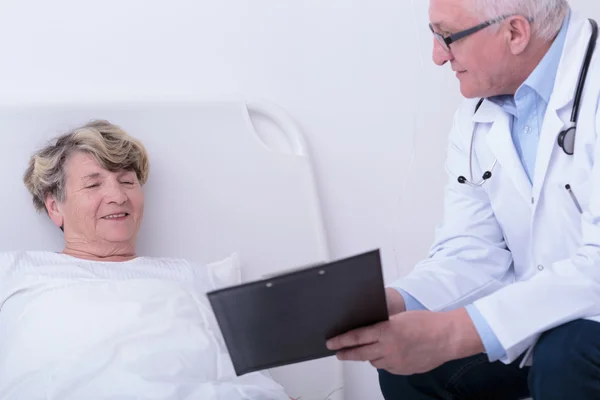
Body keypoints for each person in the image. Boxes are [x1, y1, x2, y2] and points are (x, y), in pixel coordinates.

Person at [326, 0, 600, 398]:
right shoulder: (476, 115)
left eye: (447, 36)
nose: (438, 56)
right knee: (408, 369)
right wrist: (396, 302)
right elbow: (472, 246)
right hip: (544, 320)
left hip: (583, 331)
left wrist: (453, 333)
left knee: (566, 356)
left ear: (515, 33)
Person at [0, 120, 291, 399]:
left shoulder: (193, 276)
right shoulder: (16, 271)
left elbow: (257, 379)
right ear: (55, 207)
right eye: (93, 185)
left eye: (127, 181)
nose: (117, 195)